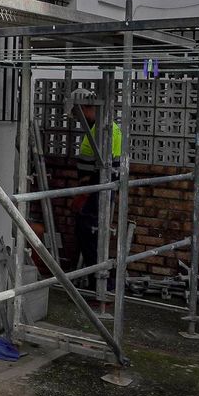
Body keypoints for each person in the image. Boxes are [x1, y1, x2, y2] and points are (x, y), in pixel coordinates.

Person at [67, 87, 121, 288]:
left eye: (75, 113)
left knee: (90, 235)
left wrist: (82, 197)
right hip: (101, 192)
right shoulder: (106, 128)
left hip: (96, 193)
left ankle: (101, 287)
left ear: (84, 107)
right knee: (96, 236)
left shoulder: (101, 131)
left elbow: (98, 172)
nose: (77, 119)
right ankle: (101, 285)